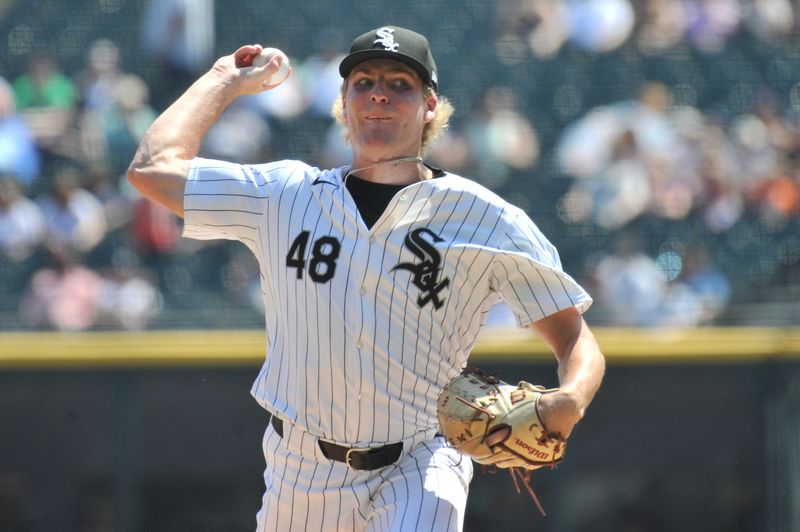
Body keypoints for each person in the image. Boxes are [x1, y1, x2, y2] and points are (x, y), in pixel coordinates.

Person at [128, 25, 605, 531]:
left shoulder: (486, 219)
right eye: (363, 81)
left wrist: (570, 398)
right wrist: (224, 78)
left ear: (429, 107)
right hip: (299, 469)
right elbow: (151, 168)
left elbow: (574, 336)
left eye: (399, 83)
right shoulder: (282, 196)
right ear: (344, 102)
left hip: (420, 461)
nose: (378, 92)